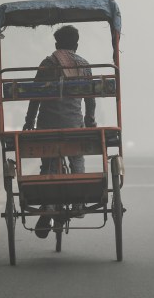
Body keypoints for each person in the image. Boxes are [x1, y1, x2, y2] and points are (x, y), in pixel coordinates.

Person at [22, 25, 97, 237]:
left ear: (56, 44)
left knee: (47, 161)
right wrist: (90, 122)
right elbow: (91, 100)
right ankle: (79, 203)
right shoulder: (84, 65)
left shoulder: (47, 64)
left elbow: (35, 97)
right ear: (76, 44)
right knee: (77, 156)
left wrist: (29, 121)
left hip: (47, 126)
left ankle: (47, 203)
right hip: (74, 126)